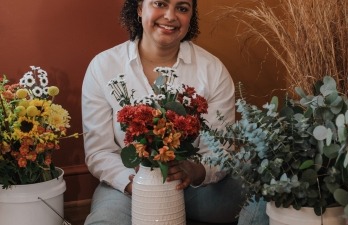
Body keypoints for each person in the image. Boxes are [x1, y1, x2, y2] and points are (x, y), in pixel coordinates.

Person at [81, 0, 246, 224]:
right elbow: (99, 152)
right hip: (128, 188)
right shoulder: (103, 66)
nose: (170, 16)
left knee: (261, 197)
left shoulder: (212, 70)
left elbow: (220, 151)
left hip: (194, 189)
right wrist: (139, 184)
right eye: (160, 3)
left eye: (182, 8)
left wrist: (194, 171)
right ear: (140, 8)